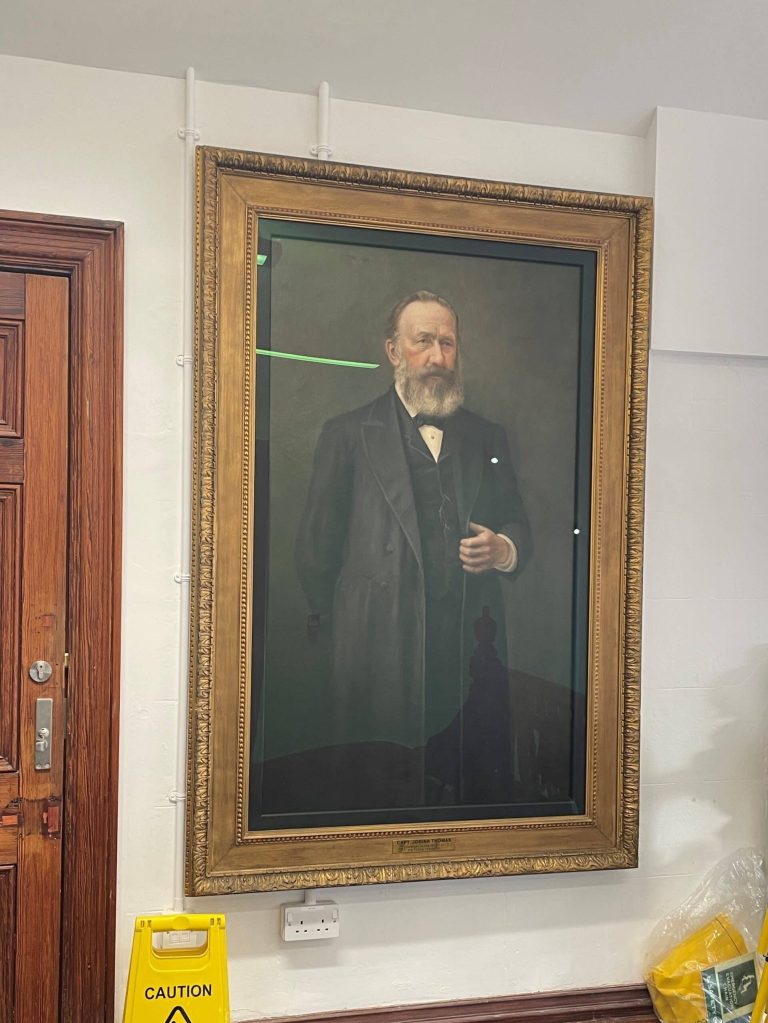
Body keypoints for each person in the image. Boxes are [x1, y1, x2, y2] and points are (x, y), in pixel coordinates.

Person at [294, 291, 531, 803]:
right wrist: (357, 623)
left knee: (464, 783)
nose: (438, 358)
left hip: (468, 645)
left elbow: (518, 520)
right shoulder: (346, 434)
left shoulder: (486, 436)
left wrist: (503, 548)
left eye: (447, 343)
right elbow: (315, 554)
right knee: (379, 787)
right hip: (381, 645)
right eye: (423, 342)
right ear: (394, 351)